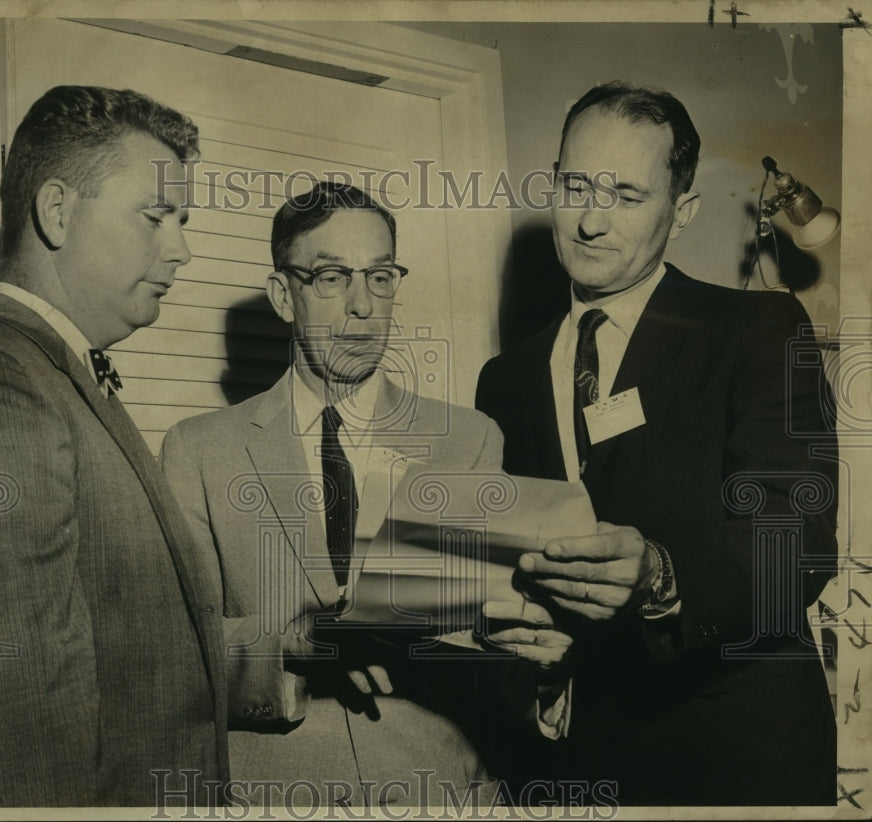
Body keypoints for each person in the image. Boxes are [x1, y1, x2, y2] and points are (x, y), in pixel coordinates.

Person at [475, 82, 838, 806]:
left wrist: (662, 574)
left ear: (682, 214)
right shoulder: (504, 380)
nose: (589, 221)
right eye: (574, 186)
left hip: (736, 760)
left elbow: (798, 539)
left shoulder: (759, 329)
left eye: (627, 194)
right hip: (576, 765)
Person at [161, 182, 567, 809]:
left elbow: (485, 645)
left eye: (379, 277)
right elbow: (176, 651)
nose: (361, 306)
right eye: (330, 277)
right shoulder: (199, 450)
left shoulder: (470, 440)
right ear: (282, 296)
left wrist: (542, 674)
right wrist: (299, 643)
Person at [0, 85, 228, 806]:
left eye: (184, 221)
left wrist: (270, 656)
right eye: (157, 217)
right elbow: (13, 737)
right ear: (56, 211)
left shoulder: (56, 376)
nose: (183, 249)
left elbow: (124, 640)